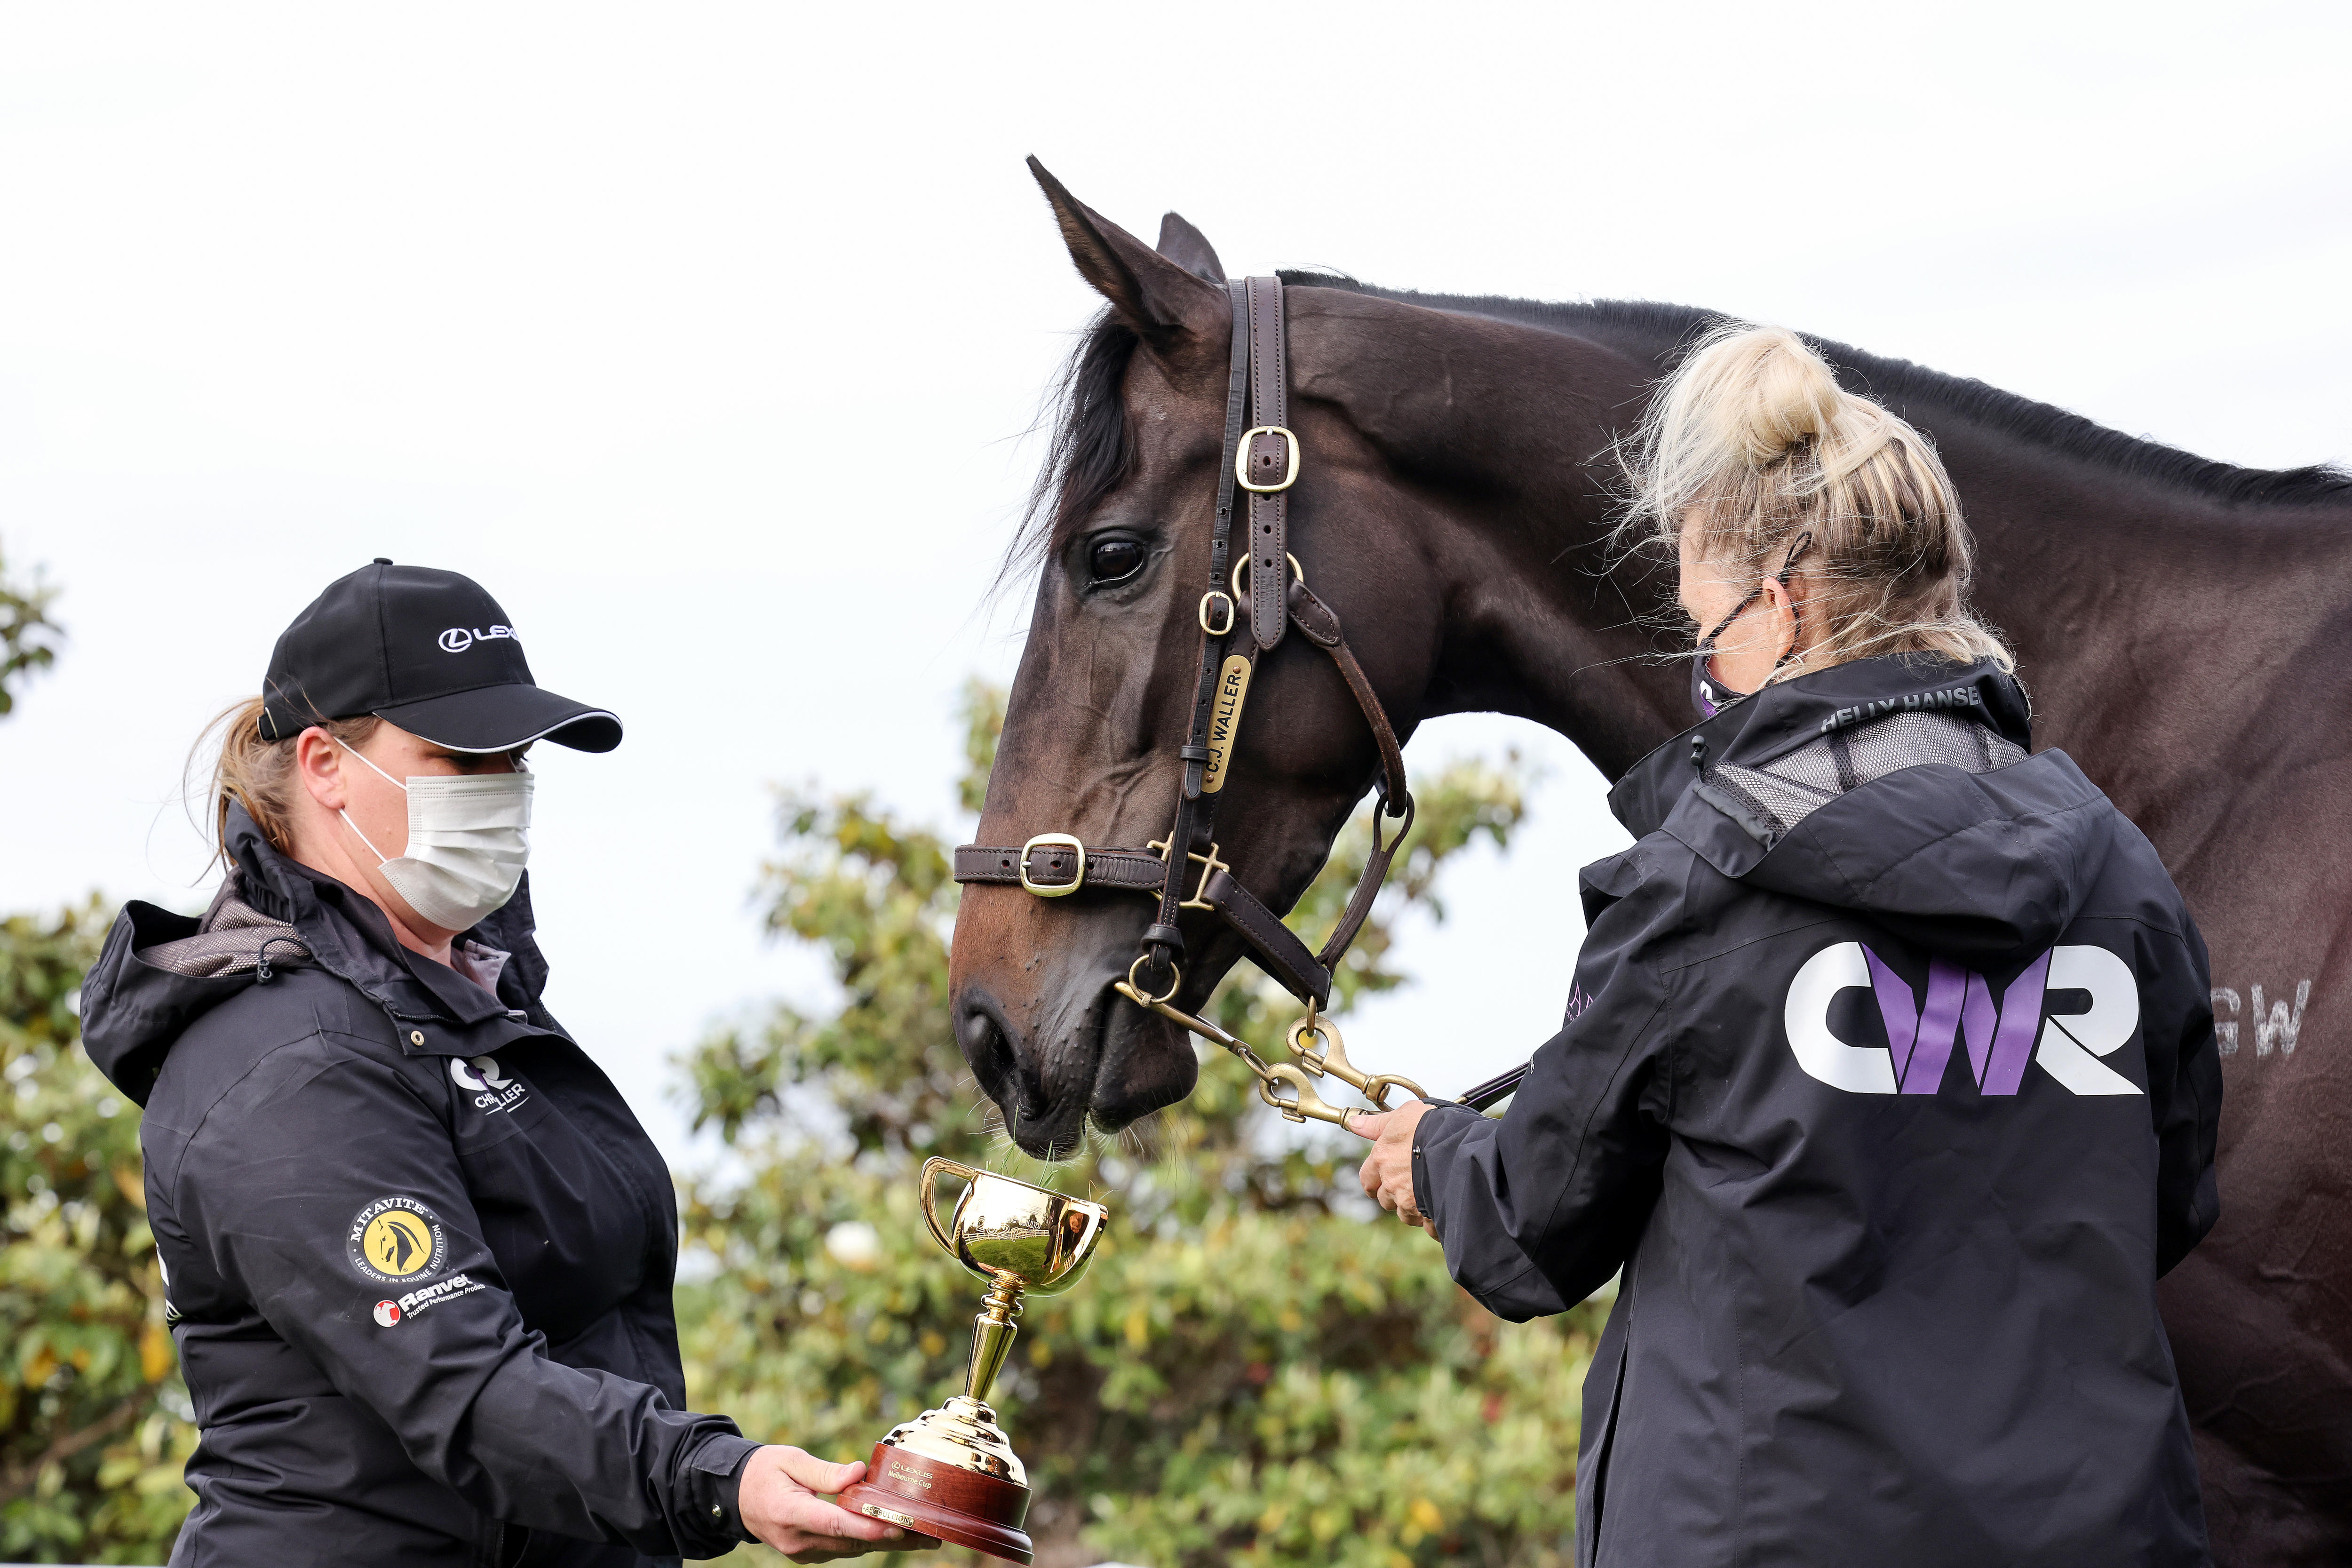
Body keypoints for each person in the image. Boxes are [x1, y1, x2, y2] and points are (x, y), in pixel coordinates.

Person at [1351, 327, 2223, 1567]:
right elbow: (2169, 1195)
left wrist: (1435, 1152)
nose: (1709, 672)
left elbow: (1532, 1226)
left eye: (1711, 631)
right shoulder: (2120, 875)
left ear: (1787, 604)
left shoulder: (1707, 876)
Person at [83, 561, 926, 1566]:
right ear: (323, 763)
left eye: (516, 759)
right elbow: (463, 1383)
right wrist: (719, 1479)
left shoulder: (475, 1000)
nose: (504, 792)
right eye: (460, 758)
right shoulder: (286, 1057)